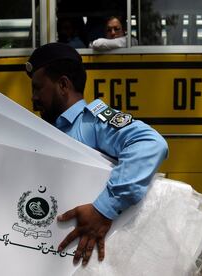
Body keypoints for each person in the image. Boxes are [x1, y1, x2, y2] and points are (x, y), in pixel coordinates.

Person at [25, 42, 168, 265]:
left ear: (63, 85)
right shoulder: (47, 129)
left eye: (37, 88)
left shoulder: (93, 122)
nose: (33, 98)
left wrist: (103, 209)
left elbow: (151, 144)